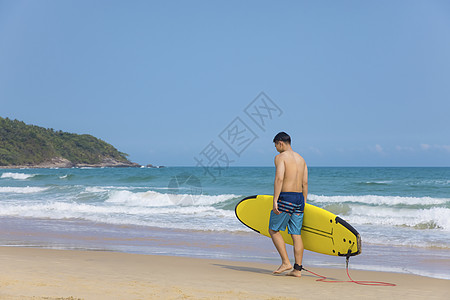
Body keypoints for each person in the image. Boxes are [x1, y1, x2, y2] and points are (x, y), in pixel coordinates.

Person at [269, 132, 308, 277]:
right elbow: (305, 183)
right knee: (296, 234)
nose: (276, 149)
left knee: (273, 230)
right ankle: (297, 270)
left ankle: (286, 262)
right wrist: (303, 202)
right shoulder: (301, 159)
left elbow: (279, 178)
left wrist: (275, 200)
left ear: (280, 143)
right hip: (299, 199)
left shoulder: (280, 158)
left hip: (286, 198)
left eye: (275, 145)